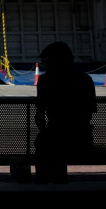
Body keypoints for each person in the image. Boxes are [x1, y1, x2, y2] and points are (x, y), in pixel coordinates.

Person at [34, 42, 96, 183]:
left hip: (52, 138)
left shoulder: (45, 80)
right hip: (81, 139)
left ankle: (43, 183)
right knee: (56, 145)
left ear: (50, 61)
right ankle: (59, 183)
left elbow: (39, 116)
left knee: (48, 145)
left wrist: (46, 131)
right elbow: (88, 113)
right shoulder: (86, 80)